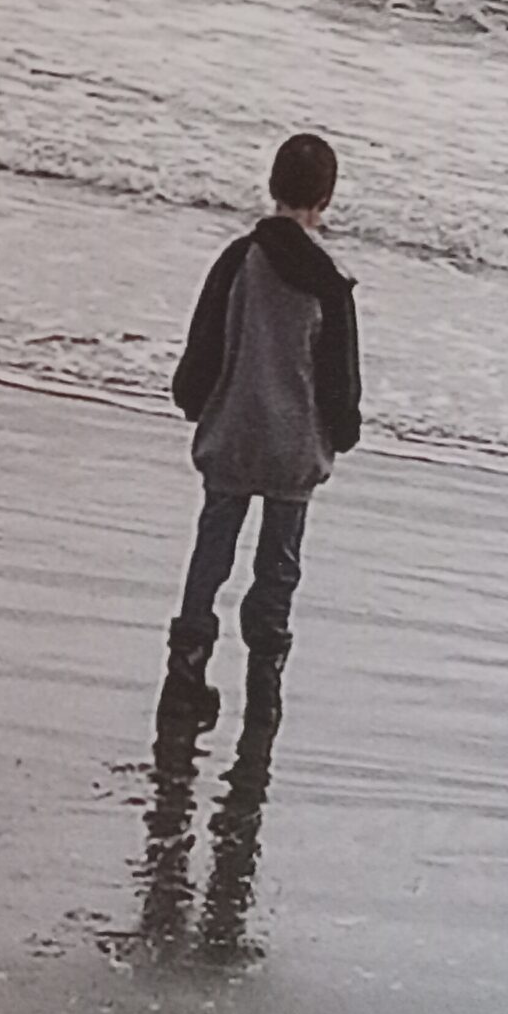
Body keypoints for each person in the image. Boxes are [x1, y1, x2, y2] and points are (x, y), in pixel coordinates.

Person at [160, 132, 361, 731]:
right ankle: (266, 682)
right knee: (279, 564)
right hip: (293, 444)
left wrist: (194, 400)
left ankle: (187, 669)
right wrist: (342, 429)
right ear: (326, 197)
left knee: (211, 551)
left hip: (234, 431)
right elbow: (339, 376)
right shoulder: (331, 281)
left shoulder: (238, 261)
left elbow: (205, 344)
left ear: (272, 187)